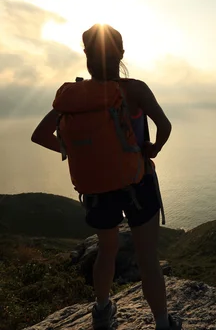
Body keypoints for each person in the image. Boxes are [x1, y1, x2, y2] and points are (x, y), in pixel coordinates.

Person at [31, 24, 182, 330]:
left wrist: (73, 149)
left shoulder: (73, 97)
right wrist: (153, 148)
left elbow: (40, 134)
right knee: (147, 257)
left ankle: (102, 312)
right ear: (121, 53)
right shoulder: (135, 89)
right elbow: (164, 126)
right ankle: (163, 324)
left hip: (97, 189)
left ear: (86, 55)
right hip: (138, 182)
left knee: (107, 250)